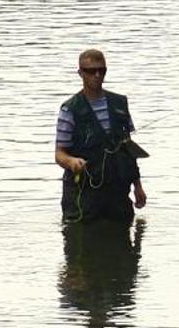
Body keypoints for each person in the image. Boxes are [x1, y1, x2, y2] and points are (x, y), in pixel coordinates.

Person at [54, 48, 147, 224]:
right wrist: (72, 162)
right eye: (91, 71)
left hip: (117, 194)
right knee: (79, 244)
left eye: (101, 70)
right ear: (80, 73)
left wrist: (138, 187)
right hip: (83, 197)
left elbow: (129, 149)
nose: (97, 75)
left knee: (124, 247)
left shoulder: (120, 104)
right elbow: (59, 154)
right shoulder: (69, 109)